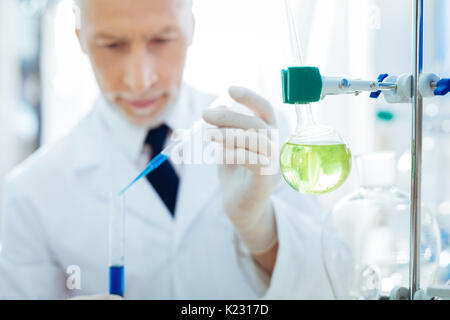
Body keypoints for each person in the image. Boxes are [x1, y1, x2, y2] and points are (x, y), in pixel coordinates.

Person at [0, 0, 332, 299]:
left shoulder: (261, 138)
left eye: (161, 40)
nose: (140, 79)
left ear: (190, 28)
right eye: (112, 44)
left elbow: (333, 283)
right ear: (80, 38)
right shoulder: (30, 194)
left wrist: (261, 229)